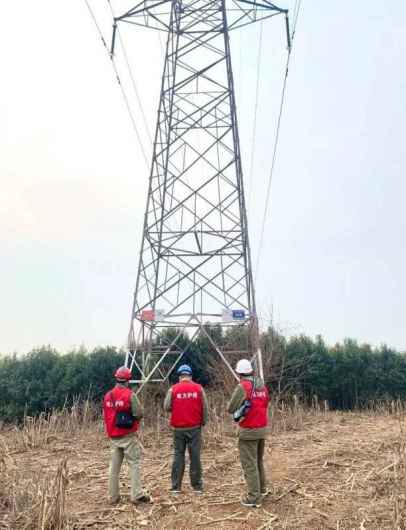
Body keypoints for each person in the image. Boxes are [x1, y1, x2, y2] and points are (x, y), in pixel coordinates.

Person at [102, 366, 151, 505]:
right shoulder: (130, 395)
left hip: (113, 436)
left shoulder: (108, 396)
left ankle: (113, 497)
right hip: (128, 436)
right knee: (134, 464)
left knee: (114, 468)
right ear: (127, 380)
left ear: (116, 378)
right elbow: (139, 413)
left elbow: (106, 415)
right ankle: (136, 495)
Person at [227, 359, 270, 508]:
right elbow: (265, 404)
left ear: (239, 373)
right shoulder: (262, 386)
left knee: (249, 465)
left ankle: (253, 498)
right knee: (258, 461)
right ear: (251, 371)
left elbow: (230, 407)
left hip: (248, 430)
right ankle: (262, 489)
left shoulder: (243, 386)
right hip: (262, 429)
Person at [164, 364, 208, 494]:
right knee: (195, 456)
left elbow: (166, 406)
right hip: (195, 427)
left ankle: (176, 487)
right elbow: (204, 408)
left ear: (180, 376)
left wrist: (177, 407)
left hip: (178, 428)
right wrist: (203, 422)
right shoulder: (198, 388)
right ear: (190, 376)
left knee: (178, 455)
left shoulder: (173, 389)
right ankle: (197, 487)